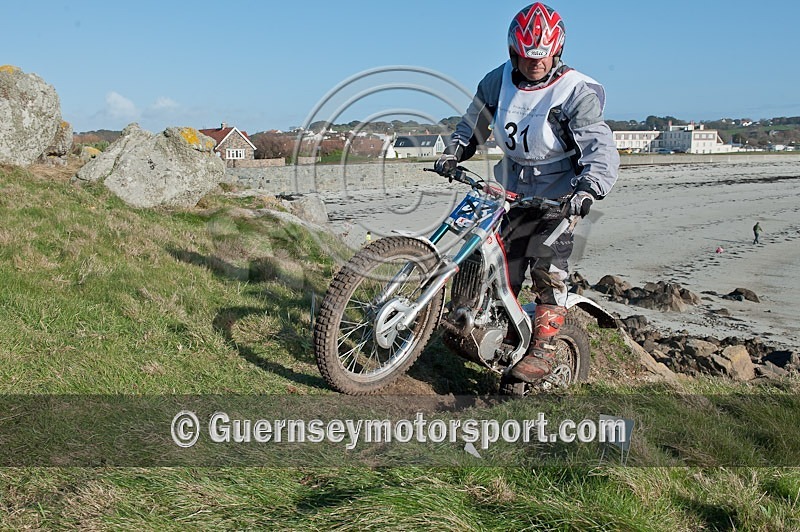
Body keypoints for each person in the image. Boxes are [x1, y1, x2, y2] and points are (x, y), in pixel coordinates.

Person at [434, 3, 619, 383]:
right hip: (511, 185)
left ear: (557, 50)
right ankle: (481, 326)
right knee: (493, 258)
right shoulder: (495, 82)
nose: (534, 63)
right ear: (512, 51)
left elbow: (600, 147)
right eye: (526, 56)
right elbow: (473, 124)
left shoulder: (575, 91)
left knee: (546, 264)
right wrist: (454, 150)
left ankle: (545, 348)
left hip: (561, 192)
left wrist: (589, 189)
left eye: (542, 56)